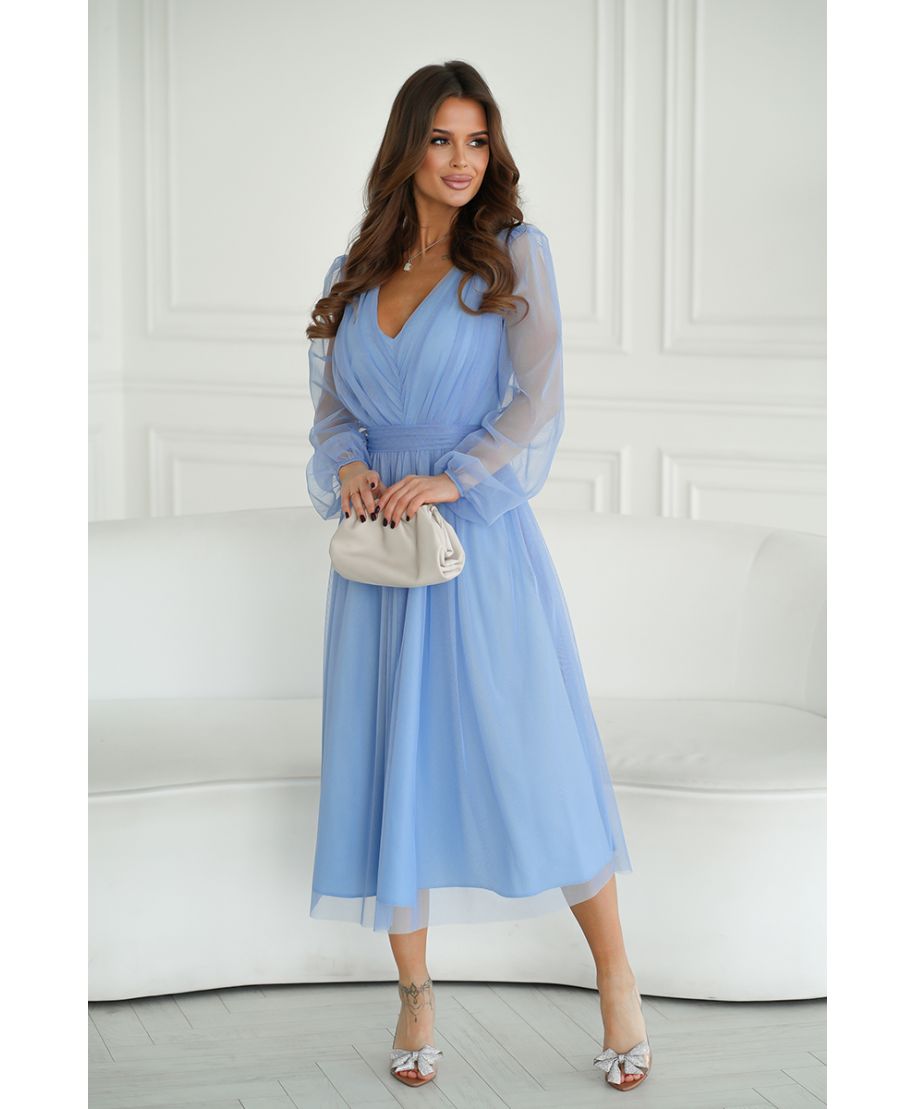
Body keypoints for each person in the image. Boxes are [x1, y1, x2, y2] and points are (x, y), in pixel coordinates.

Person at [304, 60, 652, 1092]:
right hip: (380, 550)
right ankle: (414, 996)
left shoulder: (510, 254)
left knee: (534, 756)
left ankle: (617, 975)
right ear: (407, 147)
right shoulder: (355, 268)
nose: (461, 160)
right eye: (441, 139)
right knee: (390, 764)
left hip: (474, 542)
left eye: (477, 140)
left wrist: (454, 477)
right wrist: (349, 464)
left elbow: (537, 398)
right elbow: (332, 410)